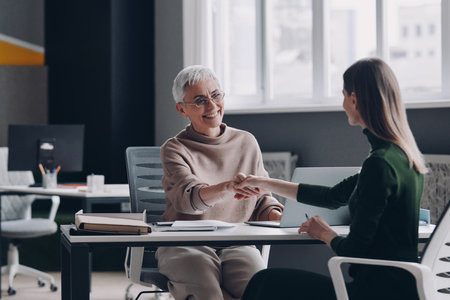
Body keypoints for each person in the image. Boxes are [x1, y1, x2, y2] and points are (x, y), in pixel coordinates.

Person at [236, 57, 427, 300]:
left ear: (355, 99)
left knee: (264, 282)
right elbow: (331, 196)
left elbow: (355, 249)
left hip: (371, 294)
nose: (343, 103)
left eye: (344, 95)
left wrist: (324, 232)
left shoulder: (379, 164)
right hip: (401, 290)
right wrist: (263, 183)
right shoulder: (402, 157)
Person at [156, 65, 283, 300]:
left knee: (261, 291)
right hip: (184, 245)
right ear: (181, 109)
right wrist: (228, 186)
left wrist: (283, 216)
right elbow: (188, 200)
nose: (212, 106)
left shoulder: (246, 142)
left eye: (215, 95)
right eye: (200, 100)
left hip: (238, 244)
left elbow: (262, 199)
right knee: (209, 295)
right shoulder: (174, 148)